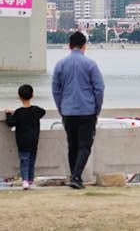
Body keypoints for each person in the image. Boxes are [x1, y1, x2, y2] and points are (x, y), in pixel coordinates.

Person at [52, 29, 105, 188]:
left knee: (72, 146)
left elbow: (56, 90)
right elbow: (99, 89)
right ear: (84, 46)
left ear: (69, 46)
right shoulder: (90, 64)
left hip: (68, 111)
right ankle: (76, 176)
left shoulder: (60, 65)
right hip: (87, 111)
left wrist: (61, 108)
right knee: (85, 145)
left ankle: (75, 176)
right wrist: (97, 109)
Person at [4, 82, 46, 189]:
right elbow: (43, 112)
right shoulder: (36, 110)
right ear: (32, 95)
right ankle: (31, 180)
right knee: (31, 162)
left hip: (22, 141)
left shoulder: (19, 112)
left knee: (24, 161)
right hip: (34, 140)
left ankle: (25, 181)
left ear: (19, 97)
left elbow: (10, 122)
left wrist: (8, 113)